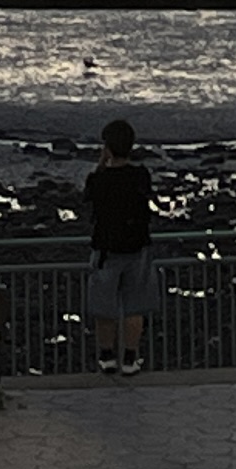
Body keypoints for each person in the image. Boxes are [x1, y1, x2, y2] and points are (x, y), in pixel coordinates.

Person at [80, 119, 158, 376]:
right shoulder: (140, 176)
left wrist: (101, 165)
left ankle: (107, 356)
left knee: (104, 306)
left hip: (106, 250)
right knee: (135, 307)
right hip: (137, 249)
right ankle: (130, 357)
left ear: (107, 148)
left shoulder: (99, 180)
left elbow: (88, 197)